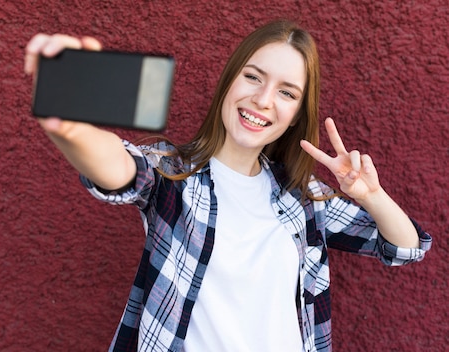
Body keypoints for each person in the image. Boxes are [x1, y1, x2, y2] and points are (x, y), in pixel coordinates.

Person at [24, 20, 432, 352]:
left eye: (286, 92)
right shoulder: (174, 174)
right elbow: (117, 167)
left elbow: (404, 247)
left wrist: (372, 196)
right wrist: (70, 128)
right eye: (253, 77)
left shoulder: (303, 197)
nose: (263, 99)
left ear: (294, 116)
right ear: (229, 83)